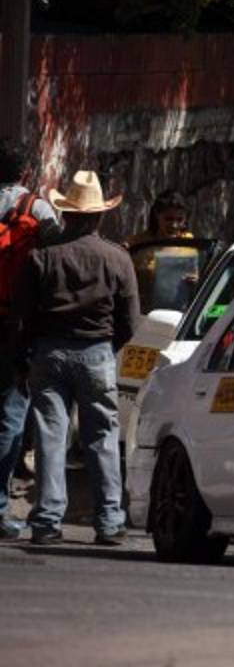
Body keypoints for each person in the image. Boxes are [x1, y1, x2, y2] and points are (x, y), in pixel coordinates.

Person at [13, 170, 138, 546]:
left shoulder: (42, 257)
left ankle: (48, 520)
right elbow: (130, 320)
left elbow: (23, 316)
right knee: (102, 436)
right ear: (99, 216)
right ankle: (109, 520)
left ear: (66, 214)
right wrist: (106, 348)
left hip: (49, 352)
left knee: (52, 437)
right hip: (97, 352)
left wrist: (25, 357)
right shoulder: (117, 259)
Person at [0, 143, 60, 539]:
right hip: (14, 324)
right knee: (10, 413)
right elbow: (57, 261)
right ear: (25, 174)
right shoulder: (36, 209)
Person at [125, 189, 197, 312]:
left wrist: (195, 280)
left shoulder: (189, 242)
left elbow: (198, 276)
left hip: (178, 315)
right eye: (169, 219)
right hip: (144, 314)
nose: (174, 225)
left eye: (179, 220)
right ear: (157, 215)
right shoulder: (137, 243)